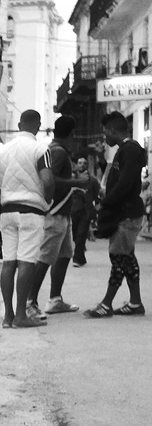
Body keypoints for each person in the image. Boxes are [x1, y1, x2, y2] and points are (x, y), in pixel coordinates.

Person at [0, 109, 52, 328]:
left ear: (19, 124)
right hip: (31, 212)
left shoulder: (3, 150)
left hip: (7, 212)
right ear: (38, 125)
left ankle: (8, 317)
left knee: (9, 262)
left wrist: (2, 195)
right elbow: (48, 180)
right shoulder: (40, 149)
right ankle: (21, 316)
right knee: (26, 262)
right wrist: (47, 199)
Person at [83, 110, 146, 317]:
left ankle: (106, 304)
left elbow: (125, 183)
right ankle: (135, 303)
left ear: (112, 130)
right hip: (125, 211)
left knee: (118, 258)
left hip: (126, 213)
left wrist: (106, 204)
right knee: (126, 257)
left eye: (105, 133)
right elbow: (118, 177)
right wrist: (102, 160)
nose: (104, 137)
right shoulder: (125, 150)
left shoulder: (130, 150)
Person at [39, 116, 87, 314]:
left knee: (65, 255)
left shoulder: (57, 151)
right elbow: (50, 180)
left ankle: (55, 299)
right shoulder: (58, 152)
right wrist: (76, 183)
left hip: (62, 213)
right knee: (45, 258)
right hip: (56, 212)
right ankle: (30, 301)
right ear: (72, 134)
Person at [70, 155, 98, 266]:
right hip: (73, 211)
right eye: (80, 163)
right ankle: (81, 257)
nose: (82, 165)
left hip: (85, 211)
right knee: (75, 235)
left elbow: (97, 195)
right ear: (76, 165)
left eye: (84, 163)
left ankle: (77, 258)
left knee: (81, 235)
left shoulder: (93, 181)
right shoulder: (71, 179)